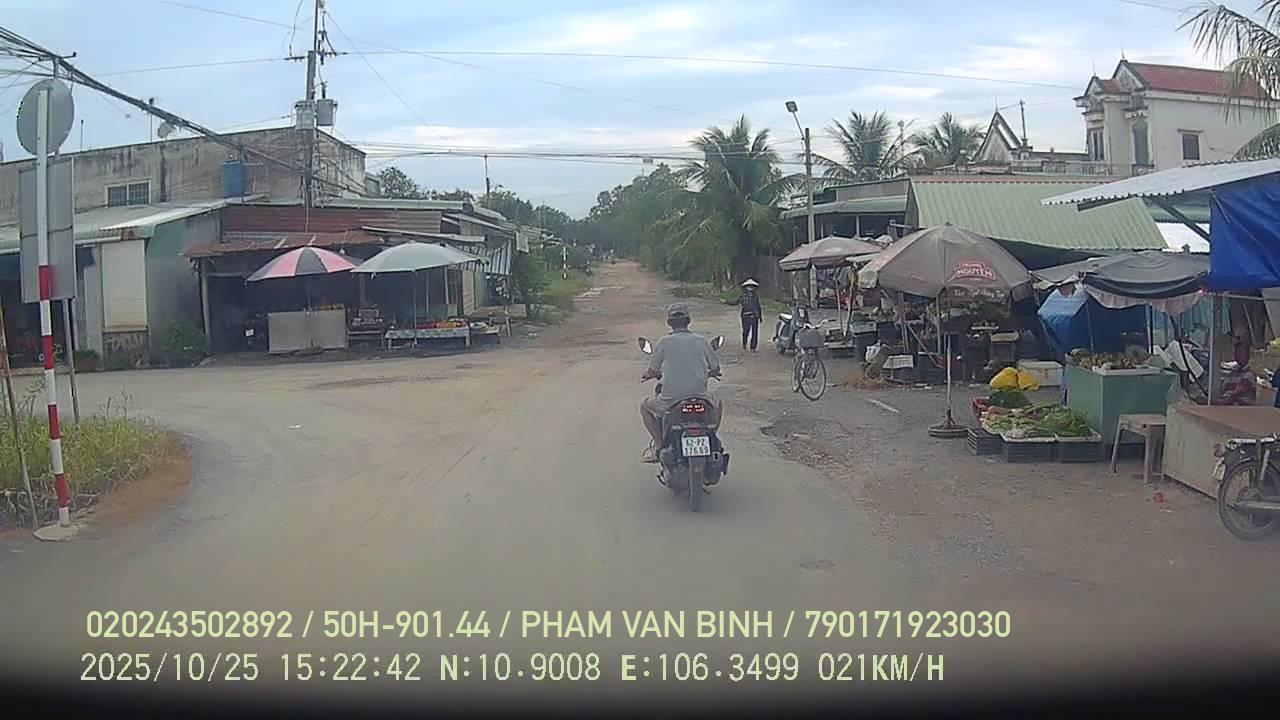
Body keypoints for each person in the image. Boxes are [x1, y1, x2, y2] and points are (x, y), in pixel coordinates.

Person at [640, 303, 722, 463]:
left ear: (669, 323)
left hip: (671, 401)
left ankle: (658, 445)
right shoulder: (701, 341)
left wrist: (648, 375)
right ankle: (712, 436)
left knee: (644, 407)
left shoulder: (664, 342)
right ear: (689, 320)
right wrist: (711, 373)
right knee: (718, 404)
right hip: (700, 397)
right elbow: (715, 368)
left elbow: (652, 370)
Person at [735, 279, 763, 351]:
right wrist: (726, 302)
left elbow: (758, 306)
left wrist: (760, 316)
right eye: (749, 286)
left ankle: (753, 347)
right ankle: (744, 343)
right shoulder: (743, 296)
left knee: (755, 332)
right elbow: (735, 302)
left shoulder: (755, 296)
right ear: (746, 287)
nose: (750, 288)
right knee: (745, 331)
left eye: (752, 286)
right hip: (745, 316)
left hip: (754, 316)